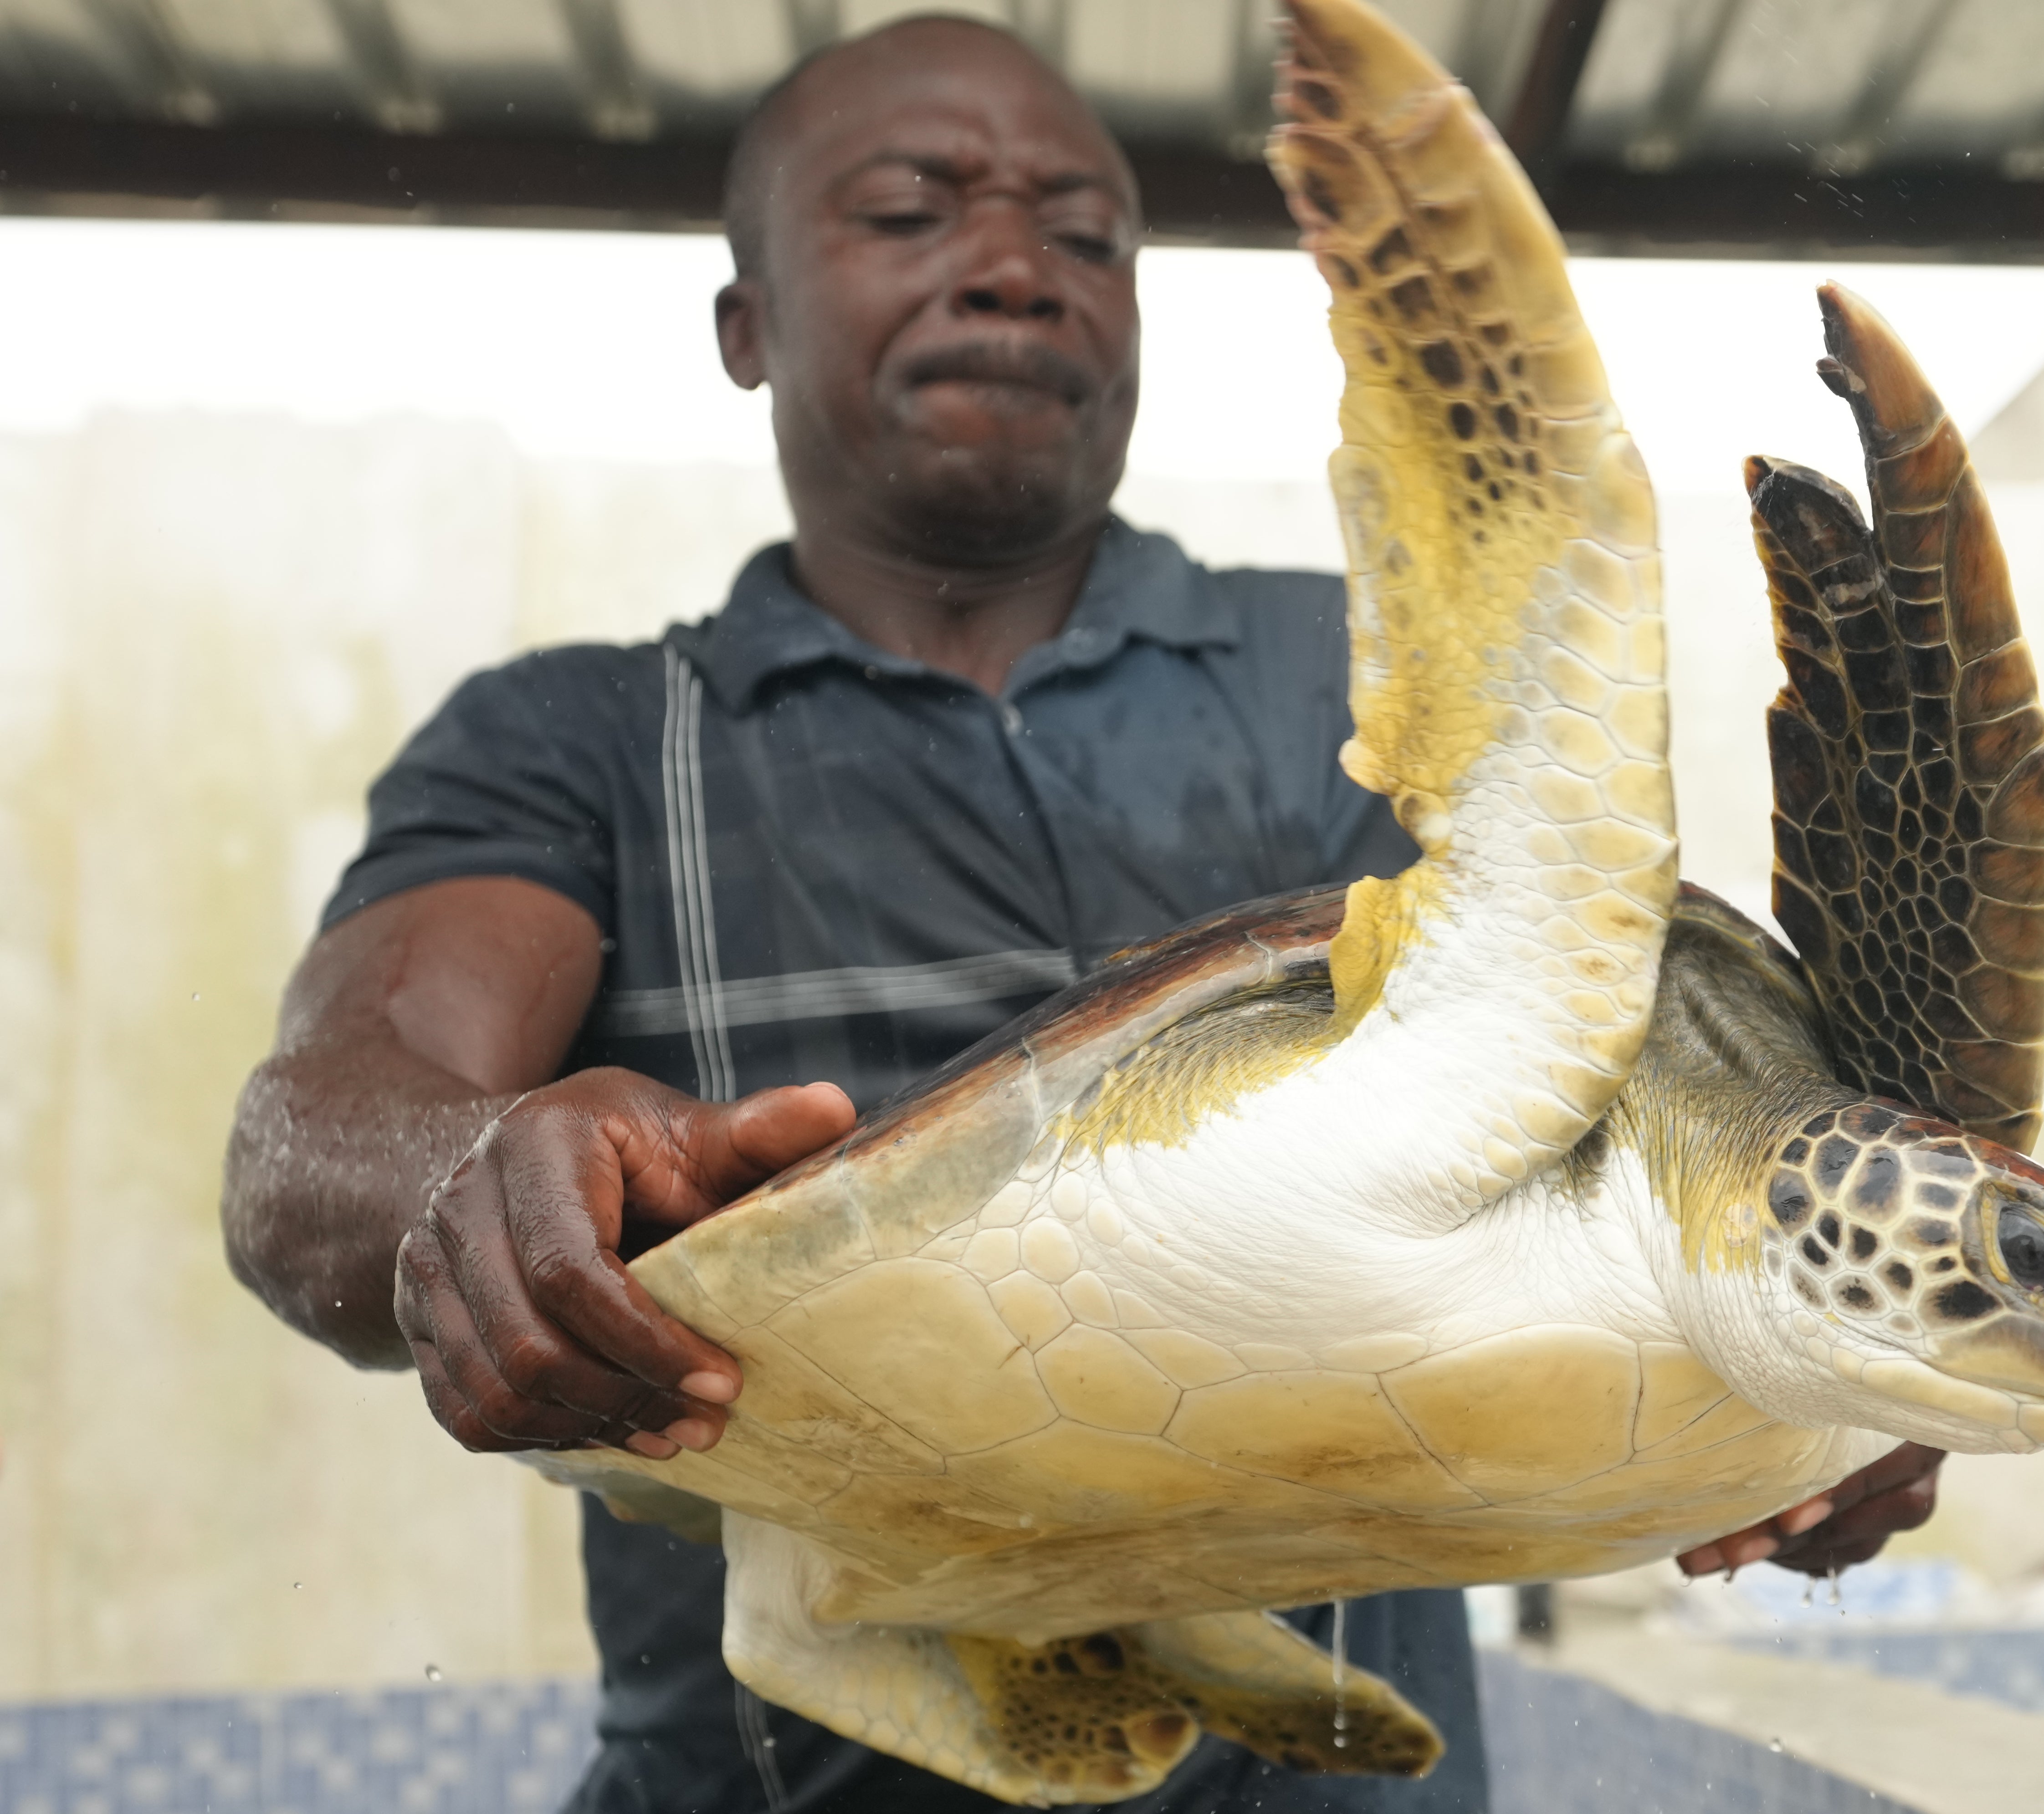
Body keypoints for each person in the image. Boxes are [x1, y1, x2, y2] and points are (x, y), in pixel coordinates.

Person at [220, 17, 1943, 1813]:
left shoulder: (1362, 686)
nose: (1019, 271)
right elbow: (325, 1116)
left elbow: (1692, 1126)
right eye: (910, 210)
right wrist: (464, 1182)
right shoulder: (578, 741)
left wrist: (1840, 1382)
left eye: (1088, 236)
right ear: (746, 324)